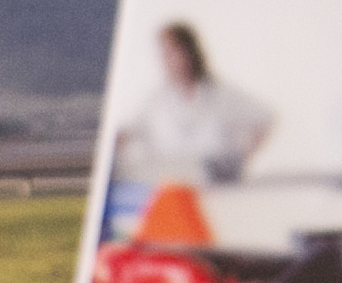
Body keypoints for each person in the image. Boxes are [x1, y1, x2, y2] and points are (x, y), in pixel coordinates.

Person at [117, 22, 273, 187]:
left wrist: (239, 160)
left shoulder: (222, 95)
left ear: (190, 52)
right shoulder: (155, 101)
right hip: (169, 186)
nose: (167, 60)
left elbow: (264, 119)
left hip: (216, 186)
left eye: (173, 51)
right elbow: (125, 133)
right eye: (164, 53)